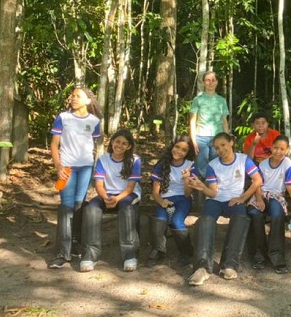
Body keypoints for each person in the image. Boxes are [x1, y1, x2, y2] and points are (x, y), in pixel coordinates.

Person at [187, 133, 263, 286]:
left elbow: (258, 180)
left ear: (231, 142)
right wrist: (202, 187)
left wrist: (243, 198)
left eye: (223, 145)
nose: (221, 150)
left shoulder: (243, 160)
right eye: (217, 148)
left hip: (234, 201)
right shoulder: (213, 165)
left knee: (241, 219)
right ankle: (202, 267)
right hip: (215, 201)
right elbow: (213, 192)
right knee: (205, 220)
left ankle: (229, 264)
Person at [48, 87, 102, 269]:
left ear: (88, 100)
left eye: (78, 96)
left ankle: (76, 242)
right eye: (72, 95)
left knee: (79, 204)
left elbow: (94, 144)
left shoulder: (94, 121)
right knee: (66, 206)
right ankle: (62, 253)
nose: (73, 98)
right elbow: (54, 145)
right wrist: (59, 166)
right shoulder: (63, 118)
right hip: (67, 168)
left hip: (86, 167)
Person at [80, 129, 142, 272]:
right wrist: (105, 197)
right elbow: (99, 185)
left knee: (126, 208)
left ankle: (129, 254)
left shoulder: (135, 160)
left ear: (129, 146)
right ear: (112, 142)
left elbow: (130, 187)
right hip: (107, 194)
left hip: (128, 194)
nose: (120, 145)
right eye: (117, 141)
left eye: (124, 143)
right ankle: (90, 254)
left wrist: (117, 199)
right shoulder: (103, 159)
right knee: (91, 209)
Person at [247, 135, 291, 273]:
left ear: (287, 150)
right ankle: (259, 253)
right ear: (271, 148)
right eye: (276, 148)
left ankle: (277, 256)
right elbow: (257, 183)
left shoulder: (287, 163)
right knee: (254, 214)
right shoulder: (263, 164)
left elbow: (290, 186)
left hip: (276, 196)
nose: (278, 151)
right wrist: (259, 199)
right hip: (260, 194)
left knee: (277, 214)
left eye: (282, 149)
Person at [148, 136, 196, 267]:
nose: (179, 151)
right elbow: (155, 192)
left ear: (188, 152)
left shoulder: (190, 165)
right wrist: (161, 201)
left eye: (184, 150)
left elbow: (188, 194)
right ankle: (158, 249)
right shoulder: (162, 164)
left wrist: (186, 179)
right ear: (172, 146)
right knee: (160, 218)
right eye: (177, 147)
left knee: (176, 221)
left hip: (183, 199)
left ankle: (186, 251)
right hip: (165, 198)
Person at [189, 71, 230, 177]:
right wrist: (193, 139)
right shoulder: (198, 100)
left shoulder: (221, 100)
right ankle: (202, 184)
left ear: (217, 82)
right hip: (201, 137)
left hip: (217, 137)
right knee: (201, 164)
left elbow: (224, 121)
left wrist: (227, 139)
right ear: (203, 82)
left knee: (216, 163)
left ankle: (213, 183)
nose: (210, 83)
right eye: (208, 80)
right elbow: (192, 120)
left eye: (213, 80)